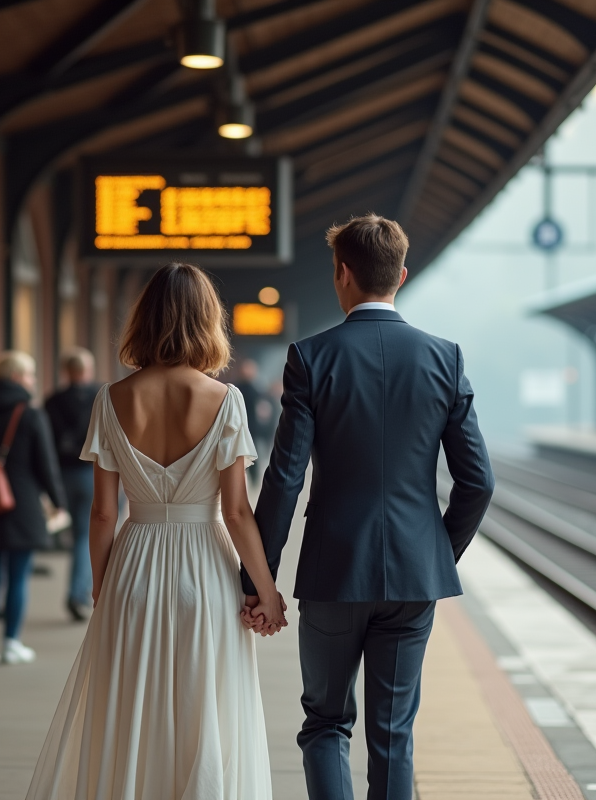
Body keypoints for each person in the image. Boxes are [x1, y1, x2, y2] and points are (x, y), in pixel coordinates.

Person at [240, 214, 494, 800]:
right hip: (413, 576)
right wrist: (436, 553)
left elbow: (285, 478)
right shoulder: (446, 358)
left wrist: (259, 580)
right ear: (401, 275)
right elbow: (477, 483)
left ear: (341, 273)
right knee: (393, 733)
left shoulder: (311, 357)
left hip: (334, 571)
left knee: (326, 723)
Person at [25, 263, 284, 800]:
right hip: (205, 567)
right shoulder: (226, 401)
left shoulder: (110, 399)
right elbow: (237, 512)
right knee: (205, 706)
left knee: (131, 709)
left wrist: (103, 584)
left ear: (143, 320)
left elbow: (103, 513)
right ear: (207, 320)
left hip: (134, 563)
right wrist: (266, 591)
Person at [0, 351, 66, 665]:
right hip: (22, 505)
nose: (33, 381)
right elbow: (46, 464)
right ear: (15, 377)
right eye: (29, 375)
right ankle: (11, 642)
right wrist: (58, 501)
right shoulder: (30, 413)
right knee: (18, 577)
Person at [44, 348, 100, 621]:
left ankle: (79, 591)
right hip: (90, 473)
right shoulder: (99, 397)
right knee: (83, 536)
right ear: (88, 370)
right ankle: (78, 594)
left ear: (65, 371)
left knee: (72, 532)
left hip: (61, 474)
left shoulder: (52, 401)